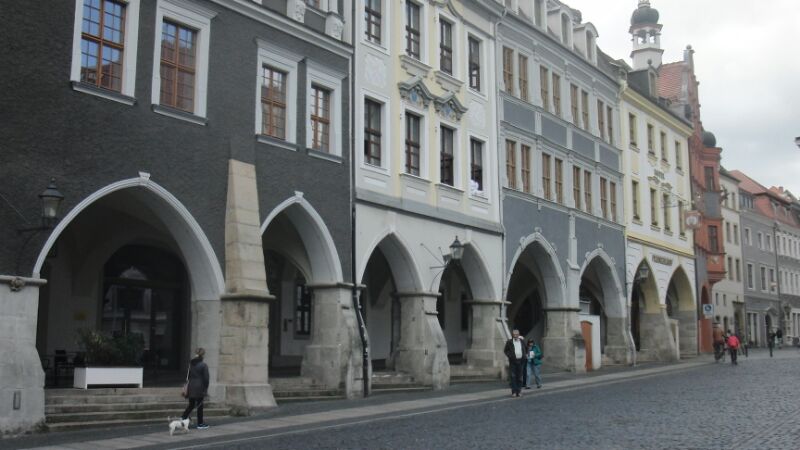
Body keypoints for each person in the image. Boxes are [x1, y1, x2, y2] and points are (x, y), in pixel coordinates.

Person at [181, 348, 210, 429]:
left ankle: (183, 417)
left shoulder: (191, 364)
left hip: (191, 385)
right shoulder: (203, 365)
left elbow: (188, 375)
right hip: (200, 387)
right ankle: (200, 423)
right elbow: (206, 379)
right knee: (200, 405)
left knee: (191, 404)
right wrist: (205, 388)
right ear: (203, 355)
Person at [504, 329, 527, 397]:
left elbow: (526, 348)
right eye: (514, 334)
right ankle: (514, 392)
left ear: (519, 335)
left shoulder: (522, 341)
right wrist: (510, 356)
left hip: (521, 361)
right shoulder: (509, 342)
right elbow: (506, 350)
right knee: (513, 377)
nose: (515, 336)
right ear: (512, 335)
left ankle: (519, 391)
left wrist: (525, 355)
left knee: (519, 377)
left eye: (516, 334)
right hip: (513, 361)